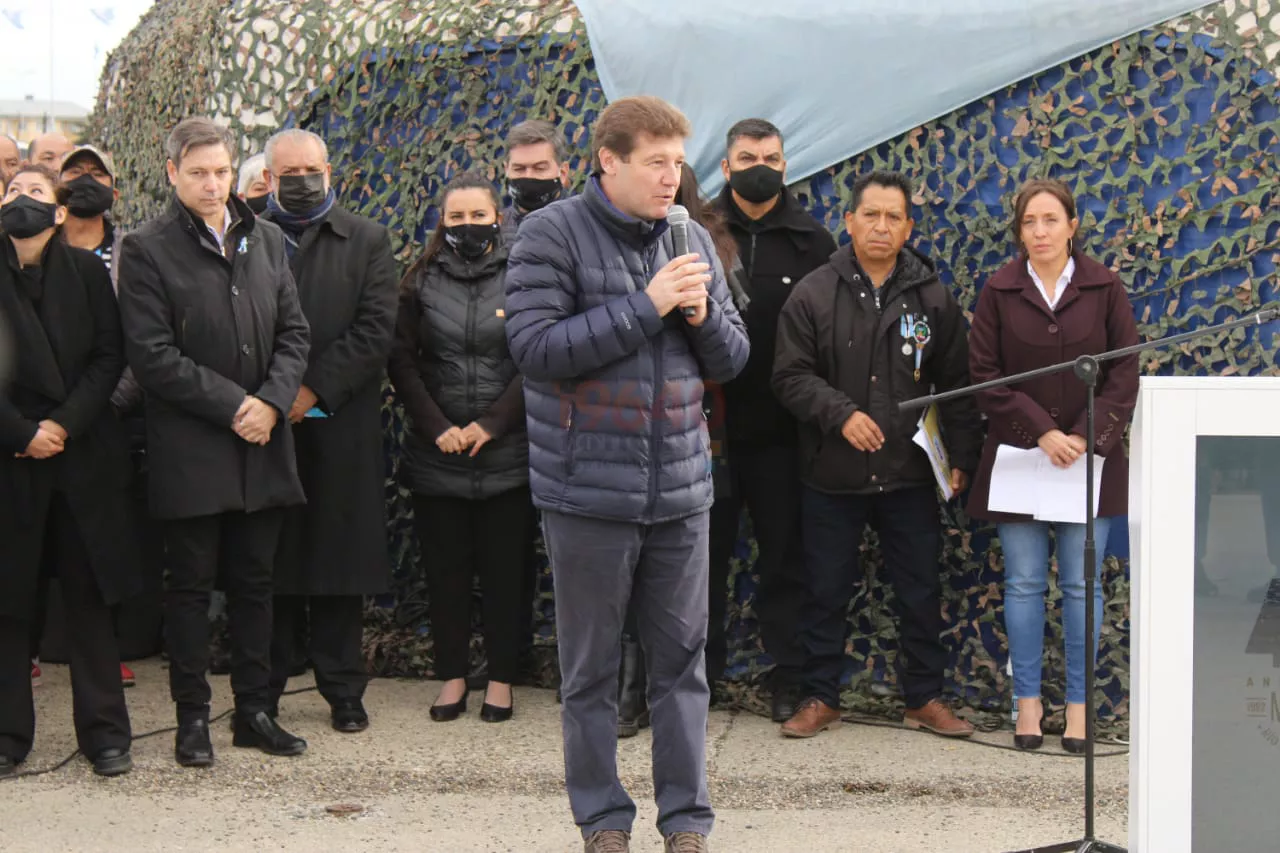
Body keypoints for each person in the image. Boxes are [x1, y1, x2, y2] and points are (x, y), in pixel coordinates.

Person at [505, 95, 750, 853]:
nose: (671, 178)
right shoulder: (549, 235)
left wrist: (704, 315)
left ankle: (686, 823)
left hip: (681, 490)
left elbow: (736, 359)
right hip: (586, 491)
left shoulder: (691, 237)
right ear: (608, 161)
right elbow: (537, 350)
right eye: (656, 162)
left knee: (683, 667)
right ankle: (604, 820)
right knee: (590, 670)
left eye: (678, 162)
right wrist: (647, 305)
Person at [116, 117, 311, 767]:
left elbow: (294, 334)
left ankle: (254, 710)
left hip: (263, 446)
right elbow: (151, 354)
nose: (212, 183)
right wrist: (236, 406)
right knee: (191, 588)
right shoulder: (145, 248)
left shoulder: (269, 239)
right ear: (172, 172)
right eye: (198, 172)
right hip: (193, 446)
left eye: (222, 171)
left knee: (257, 584)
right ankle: (192, 718)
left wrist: (274, 400)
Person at [773, 170, 982, 740]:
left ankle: (924, 699)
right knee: (824, 589)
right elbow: (788, 376)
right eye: (871, 215)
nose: (882, 227)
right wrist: (839, 414)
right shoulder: (813, 293)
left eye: (894, 217)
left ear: (908, 227)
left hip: (908, 476)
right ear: (849, 221)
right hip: (830, 475)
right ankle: (820, 696)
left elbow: (956, 383)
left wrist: (960, 455)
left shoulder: (933, 297)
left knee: (919, 591)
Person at [965, 178, 1140, 752]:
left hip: (1089, 462)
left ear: (1072, 226)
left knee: (1081, 586)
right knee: (1021, 584)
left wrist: (1087, 437)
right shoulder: (999, 289)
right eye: (1028, 223)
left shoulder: (1105, 286)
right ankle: (1028, 705)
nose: (1039, 232)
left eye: (1049, 220)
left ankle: (1080, 708)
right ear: (1019, 232)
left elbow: (1123, 372)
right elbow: (986, 375)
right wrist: (1041, 431)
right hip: (1020, 457)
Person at [0, 164, 139, 777]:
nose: (22, 200)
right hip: (10, 459)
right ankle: (7, 736)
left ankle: (105, 735)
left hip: (81, 457)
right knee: (9, 605)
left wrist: (62, 426)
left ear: (59, 212)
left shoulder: (87, 273)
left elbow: (111, 355)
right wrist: (22, 433)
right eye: (12, 191)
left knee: (88, 601)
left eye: (36, 192)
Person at [258, 128, 398, 732]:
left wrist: (310, 393)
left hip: (337, 423)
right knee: (270, 556)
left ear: (330, 171)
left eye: (310, 170)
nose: (300, 182)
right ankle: (264, 686)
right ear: (267, 179)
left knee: (338, 560)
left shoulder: (366, 239)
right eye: (288, 174)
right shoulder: (246, 238)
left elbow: (375, 330)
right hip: (262, 422)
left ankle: (343, 690)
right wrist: (273, 397)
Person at [389, 171, 532, 724]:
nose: (468, 226)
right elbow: (400, 360)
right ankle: (451, 676)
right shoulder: (418, 279)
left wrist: (492, 425)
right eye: (457, 217)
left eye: (479, 215)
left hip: (507, 456)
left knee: (504, 575)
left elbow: (534, 357)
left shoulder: (525, 275)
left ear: (497, 217)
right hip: (437, 455)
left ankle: (501, 680)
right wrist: (437, 426)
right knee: (445, 574)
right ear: (441, 223)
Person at [615, 163, 751, 739]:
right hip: (625, 432)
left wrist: (698, 314)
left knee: (692, 577)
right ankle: (629, 688)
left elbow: (736, 339)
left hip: (699, 428)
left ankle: (692, 686)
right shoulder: (604, 245)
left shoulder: (713, 247)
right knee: (625, 575)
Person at [709, 118, 837, 721]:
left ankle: (789, 677)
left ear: (785, 165)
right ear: (726, 164)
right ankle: (694, 677)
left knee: (786, 560)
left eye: (770, 156)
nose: (758, 164)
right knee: (696, 562)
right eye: (746, 155)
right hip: (706, 431)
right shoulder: (697, 231)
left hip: (785, 436)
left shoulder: (814, 242)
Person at [57, 143, 143, 689]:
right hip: (36, 428)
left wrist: (97, 407)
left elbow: (142, 337)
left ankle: (106, 653)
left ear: (115, 187)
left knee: (103, 545)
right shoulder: (31, 246)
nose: (86, 180)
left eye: (98, 173)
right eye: (75, 172)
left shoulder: (134, 251)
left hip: (112, 417)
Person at [501, 119, 572, 243]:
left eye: (540, 168)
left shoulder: (586, 226)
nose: (529, 176)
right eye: (519, 169)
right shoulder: (495, 231)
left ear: (563, 172)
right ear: (506, 170)